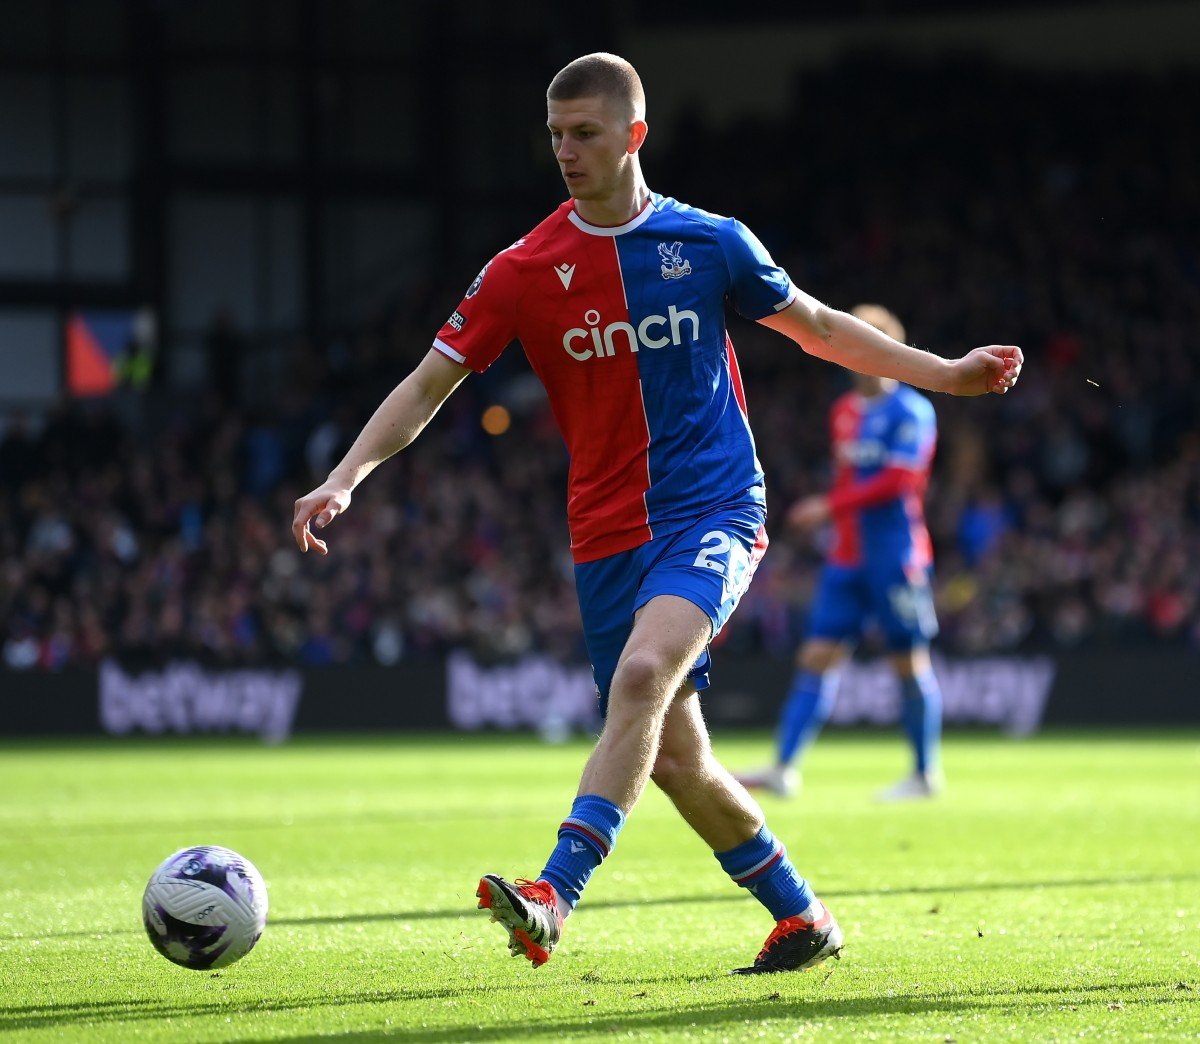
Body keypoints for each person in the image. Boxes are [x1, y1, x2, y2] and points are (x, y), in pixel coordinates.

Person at [291, 53, 1022, 974]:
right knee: (675, 760)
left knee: (641, 676)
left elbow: (824, 328)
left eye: (585, 133)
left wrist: (948, 374)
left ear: (635, 134)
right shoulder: (523, 269)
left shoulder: (711, 243)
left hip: (713, 510)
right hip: (604, 537)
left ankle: (554, 893)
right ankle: (803, 917)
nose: (565, 150)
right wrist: (349, 474)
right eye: (555, 135)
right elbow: (432, 381)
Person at [737, 305, 945, 802]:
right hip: (848, 557)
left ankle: (923, 774)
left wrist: (829, 507)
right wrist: (835, 519)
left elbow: (900, 481)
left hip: (895, 555)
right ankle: (784, 767)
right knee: (816, 657)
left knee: (907, 662)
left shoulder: (912, 412)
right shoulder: (844, 412)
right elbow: (851, 478)